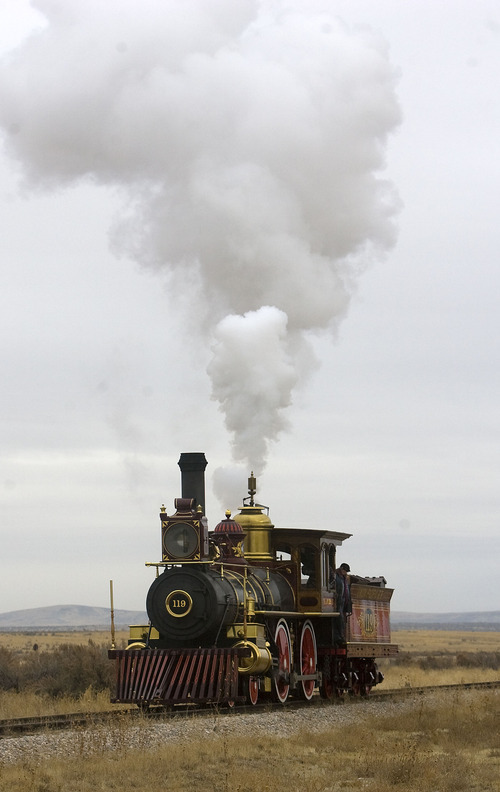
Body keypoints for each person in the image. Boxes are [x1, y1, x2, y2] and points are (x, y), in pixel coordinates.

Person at [335, 562, 352, 642]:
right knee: (340, 619)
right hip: (339, 601)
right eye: (345, 571)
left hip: (343, 602)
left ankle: (341, 635)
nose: (346, 573)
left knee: (342, 619)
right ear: (341, 569)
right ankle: (339, 636)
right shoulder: (336, 576)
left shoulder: (344, 578)